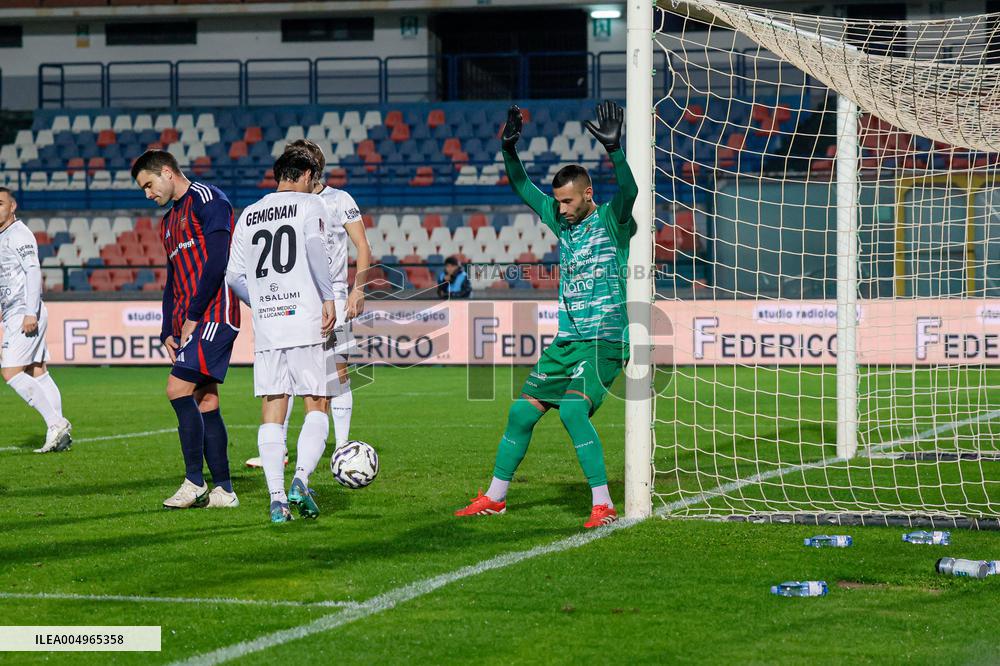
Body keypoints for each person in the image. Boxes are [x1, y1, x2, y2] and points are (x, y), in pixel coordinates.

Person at [455, 101, 638, 529]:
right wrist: (508, 150)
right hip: (567, 340)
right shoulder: (561, 222)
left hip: (605, 339)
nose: (561, 208)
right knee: (521, 413)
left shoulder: (612, 221)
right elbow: (522, 187)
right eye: (557, 201)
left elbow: (629, 194)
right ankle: (496, 497)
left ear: (588, 194)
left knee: (573, 412)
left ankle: (603, 505)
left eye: (568, 201)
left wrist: (615, 151)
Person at [244, 138, 372, 469]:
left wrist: (358, 290)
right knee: (283, 378)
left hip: (336, 299)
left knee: (337, 371)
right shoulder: (286, 205)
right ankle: (280, 450)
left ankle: (343, 447)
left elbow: (363, 247)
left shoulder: (338, 199)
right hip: (296, 300)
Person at [226, 147, 337, 523]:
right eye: (316, 177)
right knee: (317, 402)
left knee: (273, 407)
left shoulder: (250, 213)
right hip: (306, 318)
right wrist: (327, 296)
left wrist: (259, 304)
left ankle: (276, 498)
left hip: (270, 324)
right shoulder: (310, 206)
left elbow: (233, 276)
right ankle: (301, 480)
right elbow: (313, 248)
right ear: (305, 174)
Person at [132, 150, 241, 510]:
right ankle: (224, 490)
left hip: (215, 313)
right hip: (189, 319)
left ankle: (194, 481)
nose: (148, 194)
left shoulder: (209, 200)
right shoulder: (167, 222)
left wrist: (192, 316)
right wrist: (168, 327)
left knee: (177, 388)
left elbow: (217, 262)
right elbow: (173, 279)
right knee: (204, 399)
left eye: (149, 185)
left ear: (167, 172)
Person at [0, 187, 72, 453]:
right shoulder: (4, 236)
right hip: (17, 311)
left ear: (12, 206)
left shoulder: (19, 234)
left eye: (0, 203)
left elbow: (33, 271)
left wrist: (30, 311)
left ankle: (56, 423)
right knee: (37, 371)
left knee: (10, 372)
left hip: (25, 312)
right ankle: (58, 434)